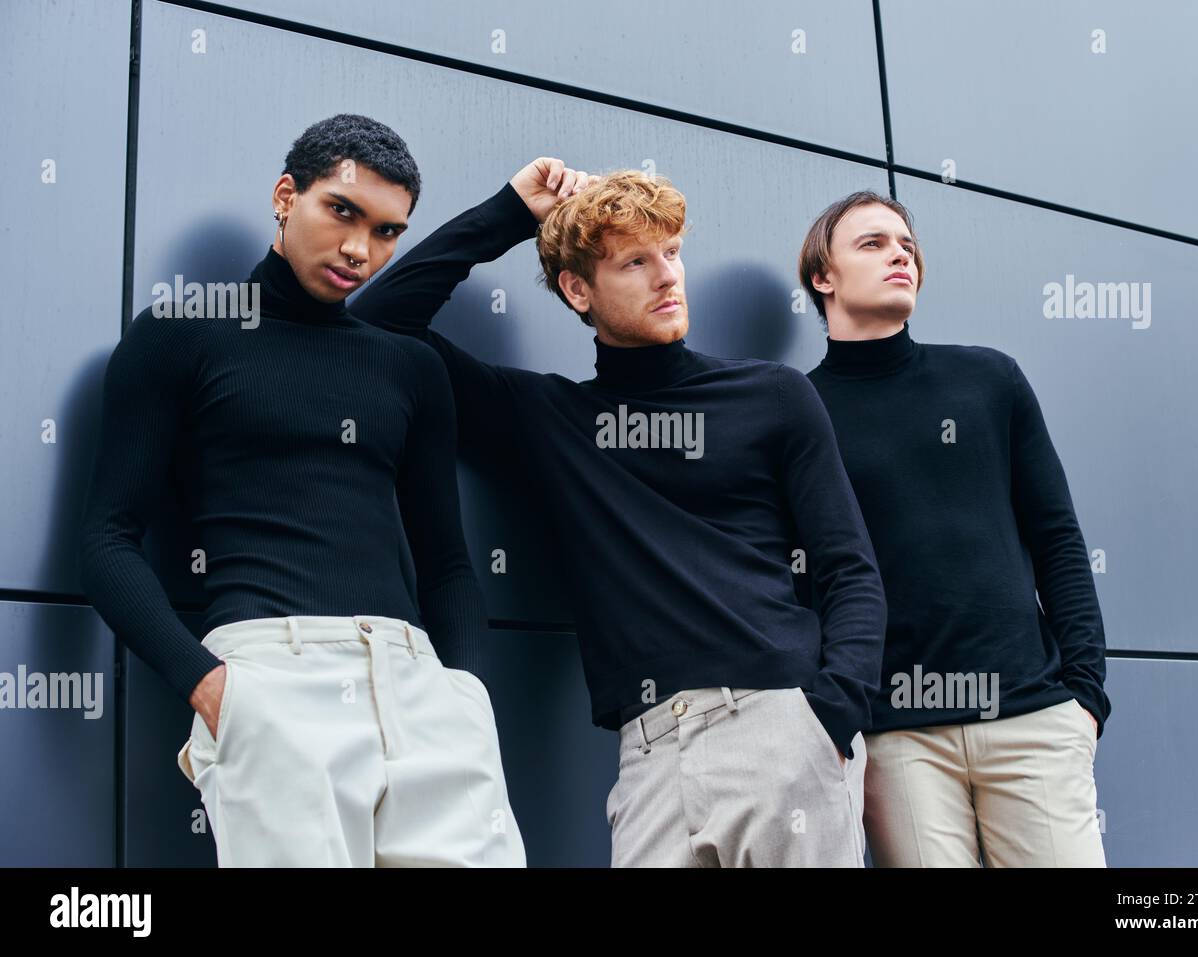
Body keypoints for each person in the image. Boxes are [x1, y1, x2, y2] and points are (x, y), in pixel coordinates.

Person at [350, 168, 886, 867]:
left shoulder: (773, 395)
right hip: (647, 757)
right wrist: (512, 211)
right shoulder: (551, 418)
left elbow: (850, 568)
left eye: (672, 252)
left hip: (779, 726)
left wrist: (831, 715)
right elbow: (377, 325)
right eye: (636, 261)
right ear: (579, 290)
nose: (668, 277)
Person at [77, 114, 574, 867]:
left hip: (420, 690)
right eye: (341, 211)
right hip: (271, 679)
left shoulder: (407, 367)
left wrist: (466, 696)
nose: (359, 249)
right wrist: (213, 688)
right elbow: (108, 539)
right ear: (286, 195)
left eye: (385, 231)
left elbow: (446, 563)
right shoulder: (181, 332)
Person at [796, 190, 1109, 866]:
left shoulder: (989, 379)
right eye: (873, 243)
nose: (899, 255)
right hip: (896, 737)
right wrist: (841, 718)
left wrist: (1084, 695)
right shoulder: (801, 411)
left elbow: (1056, 537)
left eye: (906, 244)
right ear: (822, 276)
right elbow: (797, 578)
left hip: (1033, 716)